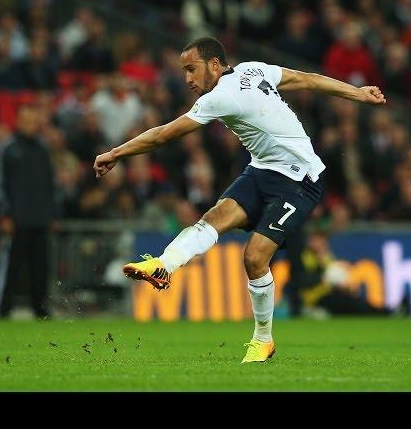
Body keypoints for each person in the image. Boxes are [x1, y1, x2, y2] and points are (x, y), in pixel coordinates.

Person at [94, 36, 386, 363]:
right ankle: (164, 265)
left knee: (255, 258)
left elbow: (164, 134)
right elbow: (306, 79)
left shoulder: (220, 97)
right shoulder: (253, 69)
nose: (188, 79)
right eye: (184, 72)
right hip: (261, 171)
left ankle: (263, 340)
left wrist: (116, 152)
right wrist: (356, 93)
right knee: (215, 218)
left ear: (215, 64)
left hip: (299, 180)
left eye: (192, 69)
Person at [0, 104, 57, 320]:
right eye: (26, 120)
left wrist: (52, 213)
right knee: (12, 266)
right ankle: (3, 308)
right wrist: (4, 213)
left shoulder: (43, 149)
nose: (30, 125)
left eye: (33, 121)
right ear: (18, 122)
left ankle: (40, 308)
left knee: (41, 267)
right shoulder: (6, 148)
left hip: (40, 218)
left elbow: (50, 184)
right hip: (17, 219)